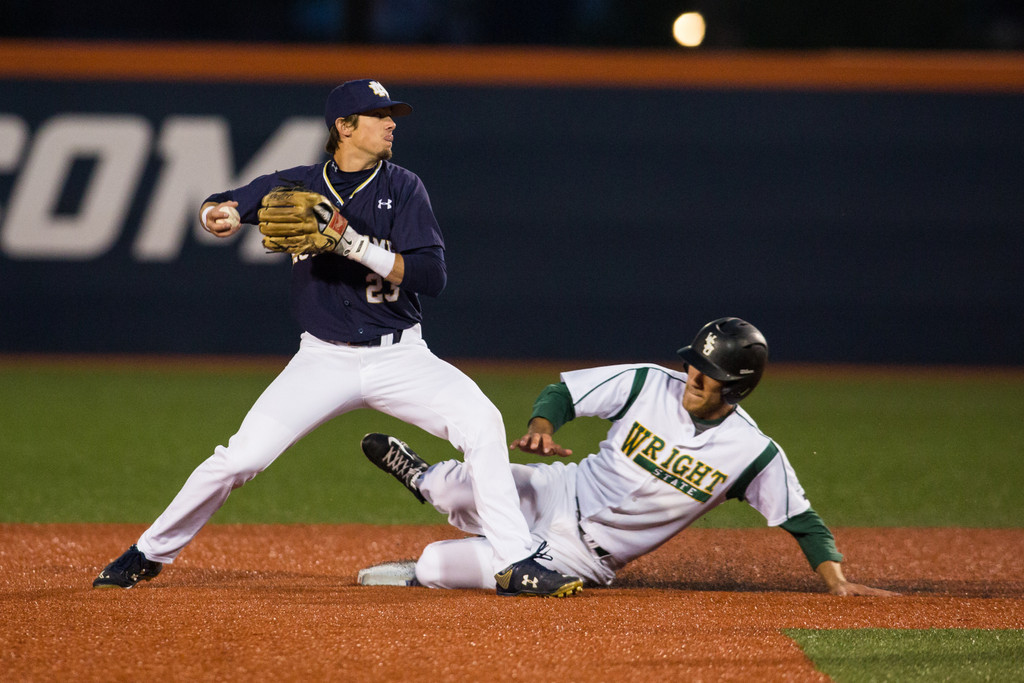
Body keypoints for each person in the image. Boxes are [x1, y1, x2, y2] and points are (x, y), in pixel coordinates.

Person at [93, 79, 582, 598]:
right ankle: (147, 552)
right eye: (377, 115)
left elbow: (431, 277)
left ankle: (514, 562)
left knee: (481, 421)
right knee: (239, 459)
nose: (392, 123)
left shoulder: (404, 187)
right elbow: (224, 201)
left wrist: (351, 244)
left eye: (391, 115)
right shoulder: (298, 185)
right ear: (343, 128)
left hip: (402, 357)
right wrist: (220, 214)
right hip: (321, 361)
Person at [359, 317, 898, 596]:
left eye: (706, 373)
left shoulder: (752, 453)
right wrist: (543, 426)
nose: (691, 375)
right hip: (559, 489)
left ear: (735, 385)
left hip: (584, 558)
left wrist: (836, 579)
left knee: (434, 564)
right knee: (453, 488)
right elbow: (565, 394)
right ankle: (425, 475)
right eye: (692, 364)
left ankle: (431, 568)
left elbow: (802, 520)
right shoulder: (648, 383)